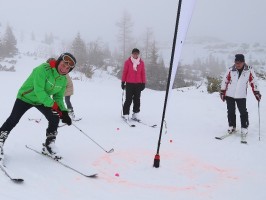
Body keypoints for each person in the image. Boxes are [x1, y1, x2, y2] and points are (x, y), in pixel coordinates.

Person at [0, 53, 76, 162]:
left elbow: (58, 97)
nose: (64, 69)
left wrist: (63, 112)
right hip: (25, 97)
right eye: (63, 65)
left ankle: (49, 145)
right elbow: (39, 90)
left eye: (68, 68)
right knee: (14, 119)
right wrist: (54, 105)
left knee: (54, 118)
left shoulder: (63, 80)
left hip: (42, 101)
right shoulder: (43, 69)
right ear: (59, 62)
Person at [220, 54, 261, 139]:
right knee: (230, 111)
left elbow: (253, 82)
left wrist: (256, 92)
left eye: (239, 62)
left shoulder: (249, 70)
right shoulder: (230, 70)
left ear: (243, 62)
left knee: (243, 112)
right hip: (230, 94)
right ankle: (232, 126)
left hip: (241, 95)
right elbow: (225, 81)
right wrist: (223, 92)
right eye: (236, 62)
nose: (237, 64)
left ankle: (244, 127)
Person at [121, 48, 146, 121]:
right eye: (134, 53)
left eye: (137, 54)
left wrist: (143, 83)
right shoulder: (127, 62)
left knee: (137, 100)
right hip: (129, 84)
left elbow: (143, 73)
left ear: (138, 54)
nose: (135, 55)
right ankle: (125, 114)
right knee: (128, 99)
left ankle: (135, 114)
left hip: (138, 84)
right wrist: (123, 82)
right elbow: (124, 72)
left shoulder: (141, 63)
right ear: (132, 54)